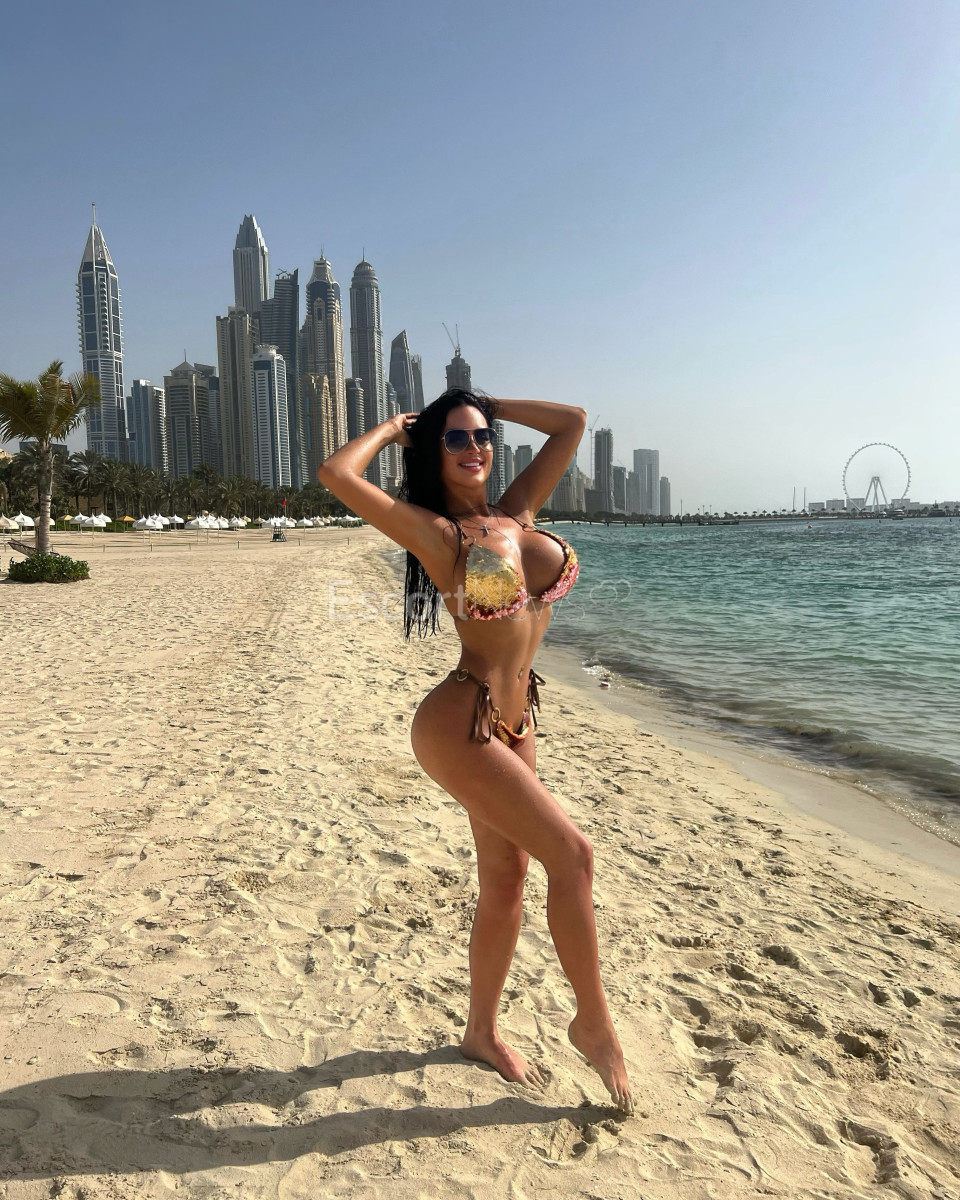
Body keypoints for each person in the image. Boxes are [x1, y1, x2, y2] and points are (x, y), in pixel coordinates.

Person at [317, 388, 632, 1113]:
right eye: (455, 439)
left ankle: (480, 1033)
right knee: (573, 856)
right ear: (431, 452)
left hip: (516, 720)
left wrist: (484, 402)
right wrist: (395, 427)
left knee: (508, 876)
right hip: (462, 721)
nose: (474, 448)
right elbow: (336, 474)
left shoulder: (517, 510)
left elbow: (573, 423)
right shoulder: (438, 533)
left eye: (481, 436)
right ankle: (593, 1023)